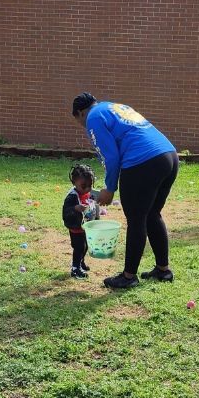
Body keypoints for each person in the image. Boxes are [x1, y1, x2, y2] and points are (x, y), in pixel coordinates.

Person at [73, 93, 178, 290]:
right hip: (168, 157)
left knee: (137, 219)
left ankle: (129, 276)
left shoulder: (93, 117)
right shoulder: (113, 107)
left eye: (79, 121)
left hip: (143, 162)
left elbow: (111, 157)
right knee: (152, 214)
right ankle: (163, 270)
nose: (83, 126)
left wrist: (109, 188)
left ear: (80, 113)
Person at [62, 163, 100, 279]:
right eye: (84, 186)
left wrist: (97, 217)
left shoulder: (89, 193)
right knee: (79, 247)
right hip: (75, 228)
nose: (87, 189)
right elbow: (66, 211)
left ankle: (81, 262)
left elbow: (94, 205)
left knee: (85, 246)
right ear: (74, 183)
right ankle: (75, 268)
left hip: (86, 226)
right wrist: (75, 208)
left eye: (90, 185)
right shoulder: (72, 196)